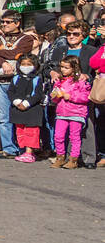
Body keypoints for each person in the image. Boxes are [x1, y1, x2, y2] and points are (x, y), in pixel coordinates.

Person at [45, 19, 99, 169]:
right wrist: (52, 72)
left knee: (86, 126)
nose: (71, 36)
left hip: (82, 94)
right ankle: (68, 156)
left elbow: (98, 71)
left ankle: (89, 158)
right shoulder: (59, 49)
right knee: (64, 129)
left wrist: (88, 76)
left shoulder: (91, 50)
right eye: (68, 33)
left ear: (83, 35)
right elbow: (47, 66)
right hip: (63, 96)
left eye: (76, 34)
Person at [0, 9, 37, 159]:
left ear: (17, 23)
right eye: (3, 22)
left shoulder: (26, 39)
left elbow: (20, 55)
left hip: (17, 81)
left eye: (8, 22)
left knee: (20, 115)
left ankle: (23, 147)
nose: (4, 24)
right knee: (3, 117)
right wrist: (2, 62)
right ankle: (9, 148)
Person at [48, 56, 91, 169]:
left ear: (74, 68)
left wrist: (70, 96)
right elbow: (54, 98)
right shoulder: (59, 81)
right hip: (62, 113)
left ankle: (73, 159)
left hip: (76, 113)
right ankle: (60, 157)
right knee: (58, 136)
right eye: (61, 67)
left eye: (66, 67)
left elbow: (85, 97)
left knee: (74, 137)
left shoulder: (81, 82)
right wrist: (55, 95)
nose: (63, 70)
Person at [9, 52, 47, 162]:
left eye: (28, 64)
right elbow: (11, 92)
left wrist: (27, 103)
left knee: (31, 131)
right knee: (20, 131)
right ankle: (23, 150)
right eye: (23, 64)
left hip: (32, 110)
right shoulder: (16, 78)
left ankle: (29, 152)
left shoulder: (37, 79)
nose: (25, 67)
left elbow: (38, 94)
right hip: (17, 109)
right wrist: (16, 102)